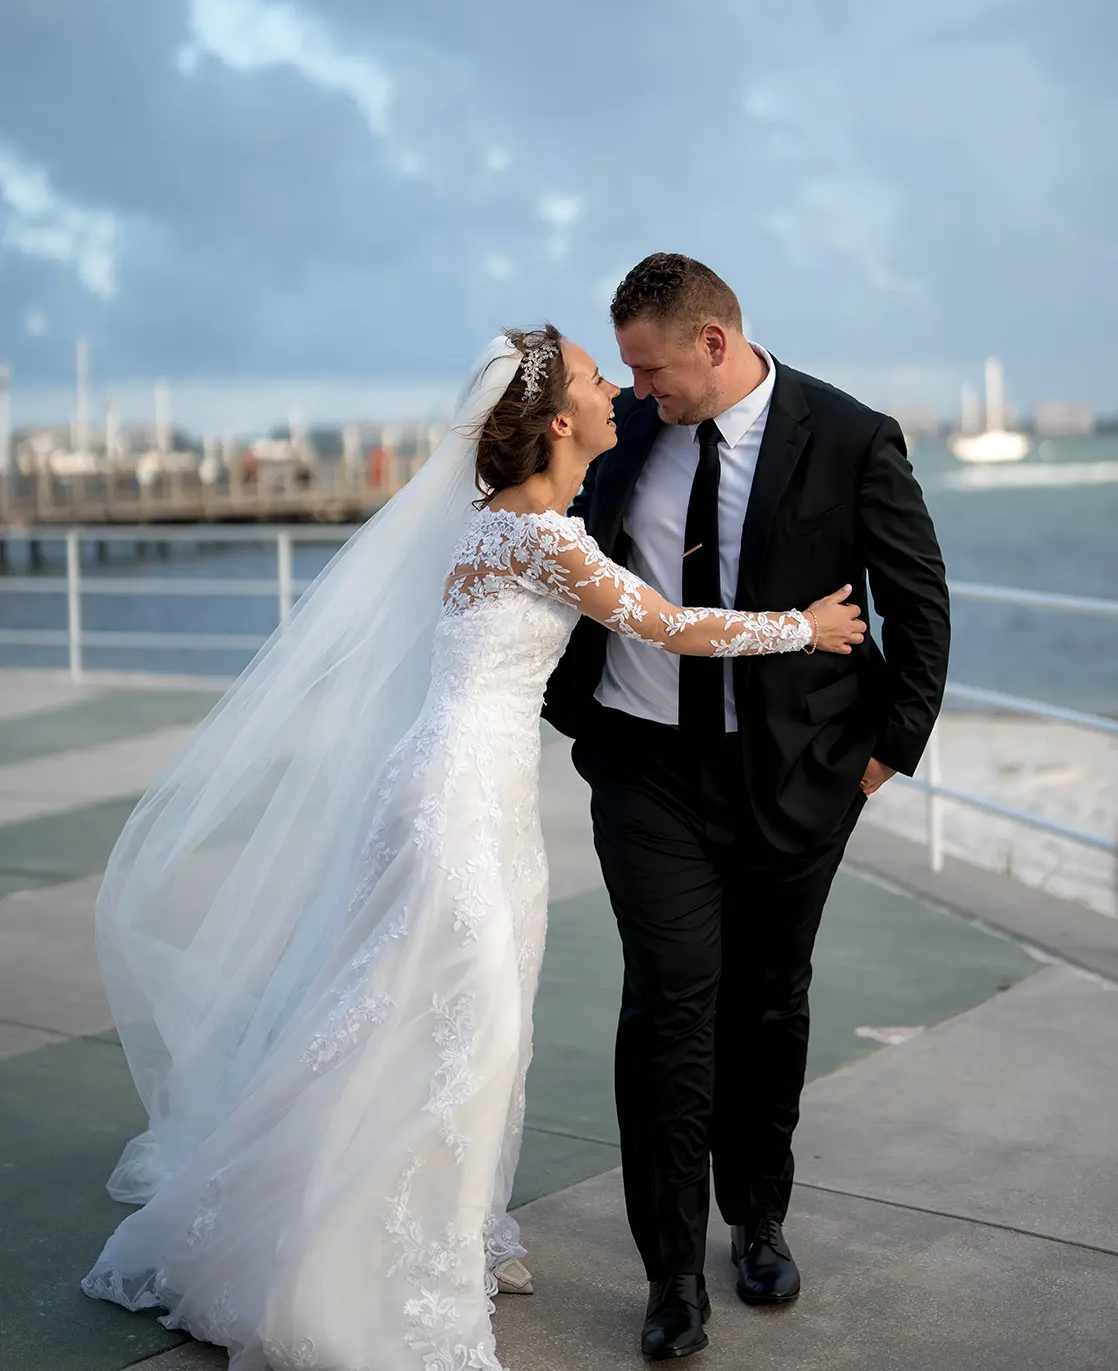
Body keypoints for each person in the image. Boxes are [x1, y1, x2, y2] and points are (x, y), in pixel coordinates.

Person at [80, 326, 865, 1371]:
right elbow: (667, 627)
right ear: (555, 420)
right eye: (594, 380)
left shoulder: (496, 522)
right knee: (464, 1019)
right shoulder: (539, 535)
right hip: (455, 797)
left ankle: (450, 1226)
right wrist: (803, 629)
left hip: (475, 793)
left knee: (446, 1012)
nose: (612, 393)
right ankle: (374, 1249)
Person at [544, 255, 951, 1360]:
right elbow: (547, 543)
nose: (636, 391)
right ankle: (669, 1271)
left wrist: (879, 764)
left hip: (797, 778)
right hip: (645, 774)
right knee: (668, 1005)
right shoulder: (623, 434)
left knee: (768, 1004)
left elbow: (917, 604)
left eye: (652, 368)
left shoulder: (851, 437)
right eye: (624, 371)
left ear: (713, 343)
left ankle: (756, 1218)